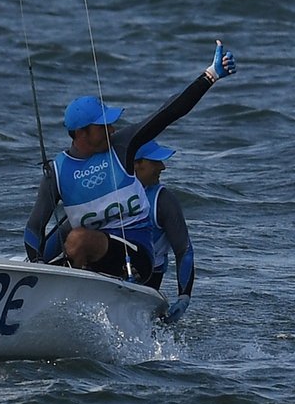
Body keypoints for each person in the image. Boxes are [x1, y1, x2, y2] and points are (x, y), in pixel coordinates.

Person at [23, 40, 236, 285]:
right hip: (89, 255)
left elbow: (168, 112)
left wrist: (210, 75)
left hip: (136, 256)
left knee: (78, 239)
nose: (112, 129)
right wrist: (36, 265)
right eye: (103, 126)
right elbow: (33, 229)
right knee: (69, 241)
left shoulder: (122, 146)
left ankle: (77, 283)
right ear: (81, 133)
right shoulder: (57, 173)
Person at [133, 140, 195, 324]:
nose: (163, 167)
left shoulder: (164, 200)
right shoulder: (109, 192)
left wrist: (184, 297)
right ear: (136, 164)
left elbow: (184, 250)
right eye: (155, 162)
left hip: (148, 280)